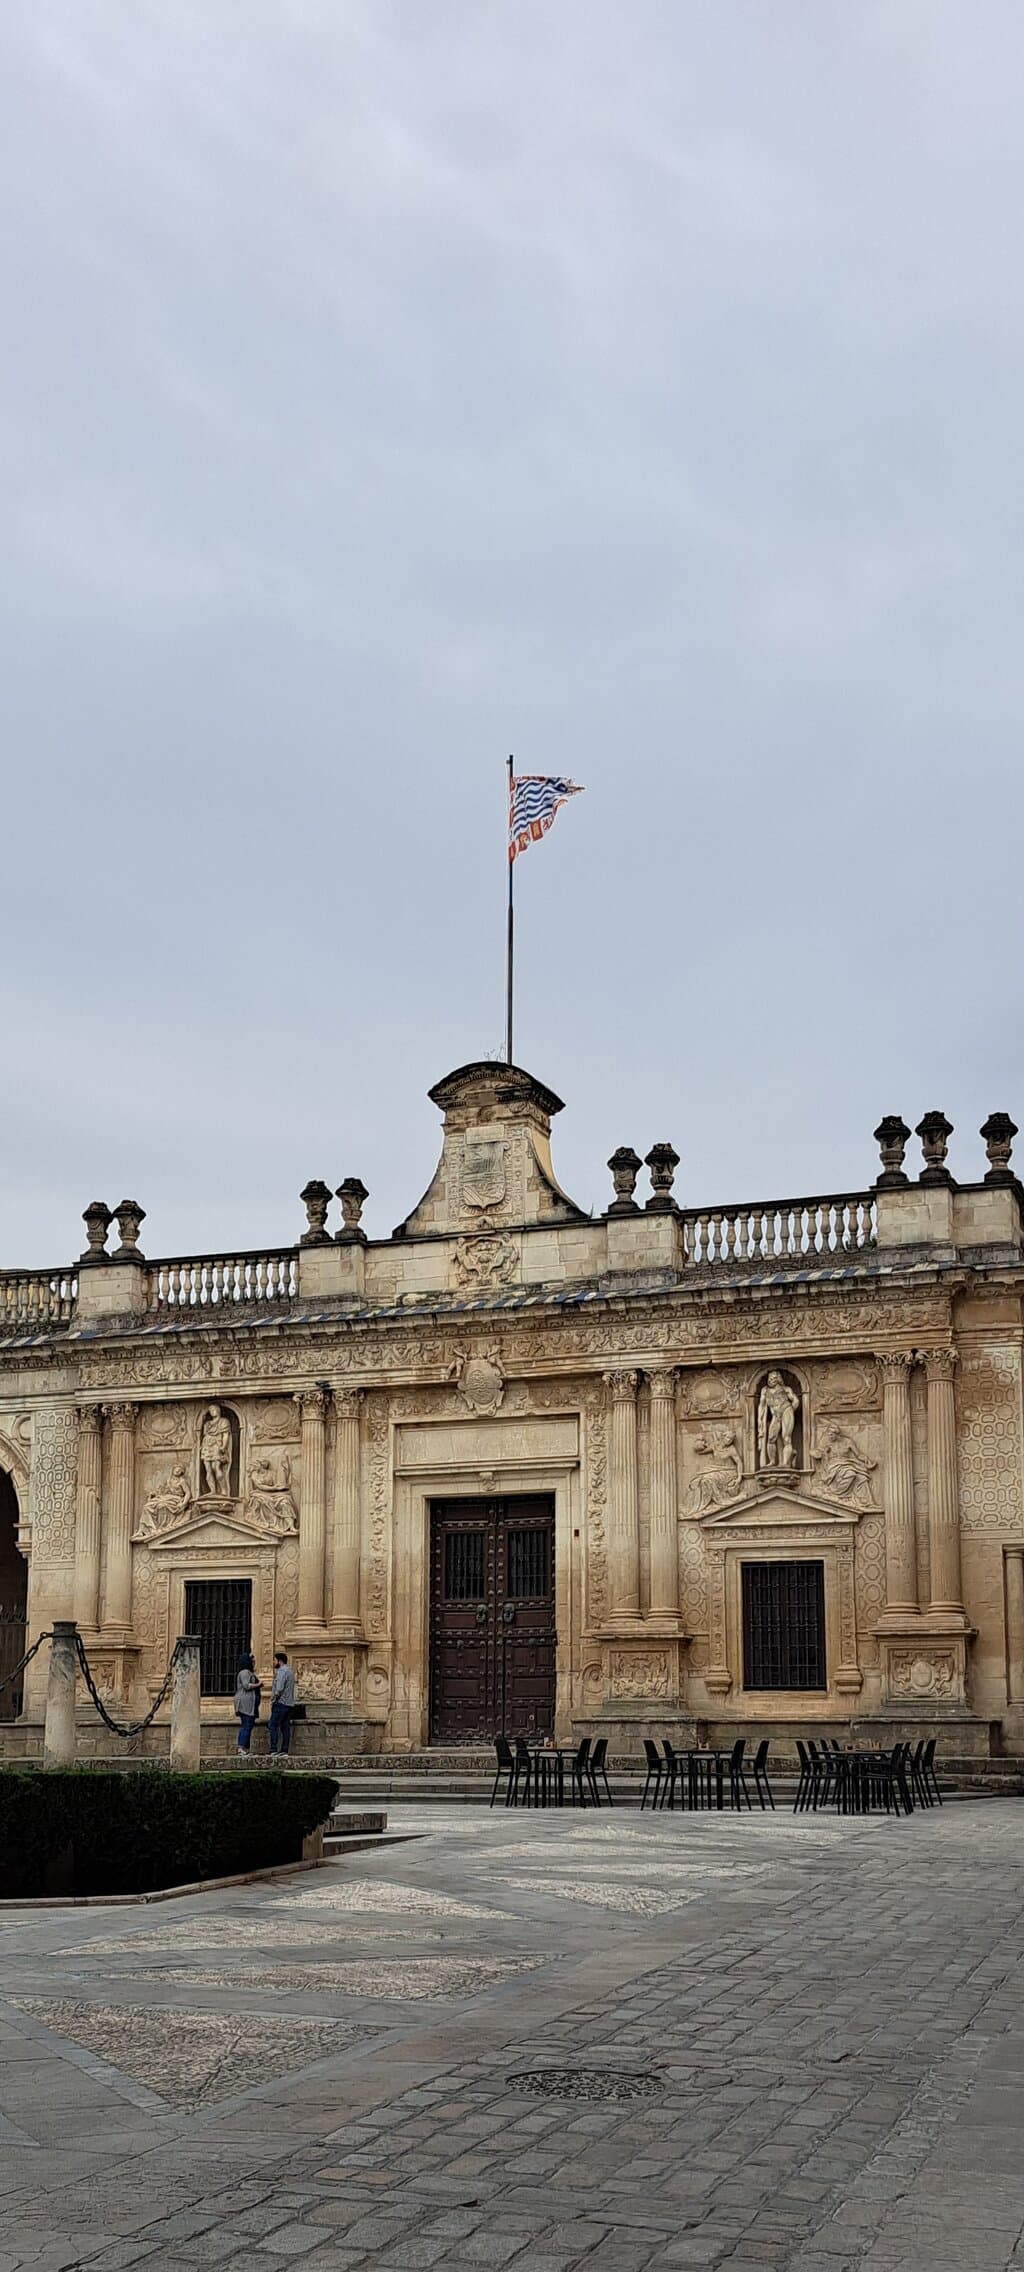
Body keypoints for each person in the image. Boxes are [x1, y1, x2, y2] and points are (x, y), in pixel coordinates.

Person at [268, 1650, 297, 1756]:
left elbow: (279, 1688)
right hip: (289, 1703)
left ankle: (273, 1749)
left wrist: (274, 1699)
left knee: (272, 1725)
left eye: (274, 1660)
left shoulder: (281, 1671)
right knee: (285, 1727)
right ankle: (285, 1749)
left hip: (281, 1703)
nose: (273, 1663)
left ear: (279, 1661)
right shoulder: (290, 1671)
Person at [234, 1652, 260, 1754]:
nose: (253, 1663)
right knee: (246, 1725)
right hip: (246, 1703)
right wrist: (258, 1684)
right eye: (252, 1661)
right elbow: (246, 1685)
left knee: (248, 1725)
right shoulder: (245, 1672)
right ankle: (241, 1747)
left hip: (250, 1703)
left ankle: (245, 1748)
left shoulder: (249, 1672)